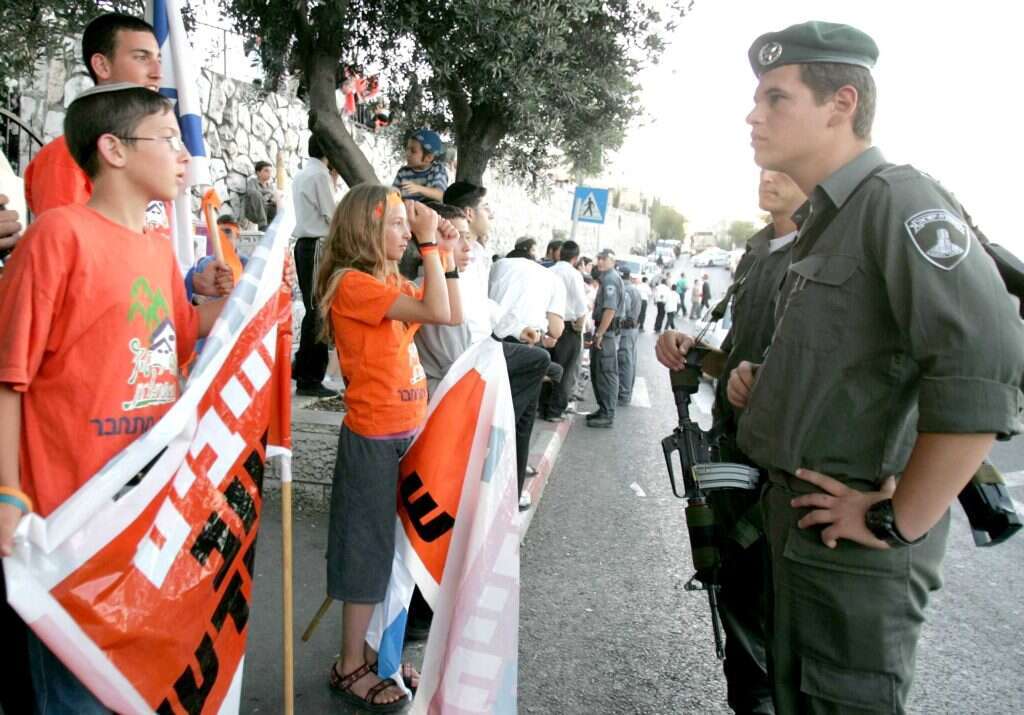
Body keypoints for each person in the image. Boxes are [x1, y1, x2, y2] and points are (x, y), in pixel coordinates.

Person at [728, 21, 1024, 712]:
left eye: (776, 97)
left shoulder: (899, 200)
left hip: (853, 557)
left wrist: (898, 517)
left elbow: (985, 363)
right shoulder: (835, 217)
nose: (753, 114)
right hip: (804, 539)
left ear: (843, 103)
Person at [0, 83, 234, 714]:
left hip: (141, 516)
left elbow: (178, 338)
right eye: (168, 138)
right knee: (77, 696)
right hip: (67, 521)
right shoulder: (57, 236)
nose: (184, 155)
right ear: (114, 150)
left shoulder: (158, 250)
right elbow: (8, 377)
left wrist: (251, 296)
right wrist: (6, 492)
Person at [655, 168, 805, 715]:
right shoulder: (757, 256)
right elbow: (736, 366)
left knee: (788, 640)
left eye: (785, 167)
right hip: (738, 463)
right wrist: (691, 352)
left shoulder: (823, 252)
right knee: (742, 619)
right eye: (766, 167)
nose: (769, 176)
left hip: (787, 471)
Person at [315, 186, 461, 711]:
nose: (405, 231)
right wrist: (429, 247)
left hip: (408, 430)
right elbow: (438, 311)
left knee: (402, 555)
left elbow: (449, 310)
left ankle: (385, 654)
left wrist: (441, 251)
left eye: (407, 224)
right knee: (366, 554)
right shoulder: (351, 284)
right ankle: (348, 662)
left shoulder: (388, 280)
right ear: (366, 230)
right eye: (397, 223)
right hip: (375, 436)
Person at [22, 12, 232, 301]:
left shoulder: (151, 158)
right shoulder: (66, 156)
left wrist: (190, 282)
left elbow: (148, 261)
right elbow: (67, 273)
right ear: (102, 64)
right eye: (142, 57)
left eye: (159, 58)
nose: (158, 72)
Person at [489, 250, 565, 506]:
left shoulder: (497, 265)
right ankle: (512, 493)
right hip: (527, 348)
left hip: (491, 343)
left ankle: (482, 484)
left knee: (490, 415)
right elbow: (556, 330)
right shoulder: (551, 278)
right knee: (520, 424)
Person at [292, 135, 339, 397]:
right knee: (318, 309)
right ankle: (310, 377)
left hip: (305, 244)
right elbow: (331, 215)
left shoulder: (302, 173)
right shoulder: (320, 176)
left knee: (314, 307)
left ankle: (303, 369)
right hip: (318, 245)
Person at [539, 239, 588, 421]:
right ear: (575, 258)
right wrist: (580, 324)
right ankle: (554, 411)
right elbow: (581, 305)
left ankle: (542, 406)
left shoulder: (548, 271)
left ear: (559, 253)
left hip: (547, 324)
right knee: (565, 370)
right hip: (567, 327)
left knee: (547, 366)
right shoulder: (574, 275)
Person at [585, 248, 625, 428]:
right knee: (598, 372)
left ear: (612, 260)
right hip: (605, 331)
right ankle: (603, 409)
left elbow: (610, 310)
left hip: (607, 333)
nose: (599, 261)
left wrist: (600, 333)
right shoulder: (607, 278)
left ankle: (607, 413)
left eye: (603, 258)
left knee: (606, 372)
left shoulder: (610, 279)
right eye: (598, 258)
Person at [393, 129, 449, 202]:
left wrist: (418, 188)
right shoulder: (403, 172)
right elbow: (393, 194)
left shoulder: (437, 169)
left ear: (428, 157)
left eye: (413, 151)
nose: (407, 154)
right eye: (407, 149)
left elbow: (441, 195)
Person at [616, 272, 643, 405]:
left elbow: (623, 314)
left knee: (625, 362)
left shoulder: (624, 290)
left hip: (626, 329)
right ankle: (627, 391)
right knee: (630, 361)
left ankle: (624, 394)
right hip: (633, 329)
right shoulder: (635, 290)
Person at [240, 160, 278, 230]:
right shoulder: (252, 182)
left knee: (277, 202)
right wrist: (267, 193)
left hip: (266, 210)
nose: (269, 173)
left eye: (270, 171)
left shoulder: (271, 186)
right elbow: (252, 193)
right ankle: (263, 226)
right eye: (266, 171)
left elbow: (272, 198)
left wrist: (272, 198)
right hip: (253, 212)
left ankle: (273, 228)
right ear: (258, 173)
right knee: (255, 194)